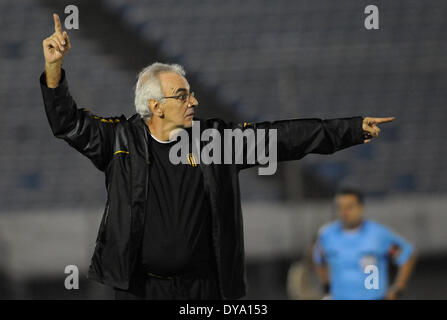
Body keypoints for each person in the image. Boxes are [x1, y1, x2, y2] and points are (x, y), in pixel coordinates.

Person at [40, 13, 394, 300]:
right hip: (140, 290)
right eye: (182, 96)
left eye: (192, 94)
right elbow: (67, 122)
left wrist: (350, 128)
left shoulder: (214, 142)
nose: (193, 102)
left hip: (205, 290)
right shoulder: (119, 140)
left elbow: (283, 138)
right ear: (155, 106)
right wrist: (54, 68)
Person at [313, 188, 417, 300]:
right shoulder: (327, 235)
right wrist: (326, 285)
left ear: (361, 208)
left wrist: (398, 289)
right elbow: (318, 258)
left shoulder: (377, 235)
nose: (344, 212)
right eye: (340, 207)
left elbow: (407, 255)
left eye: (349, 207)